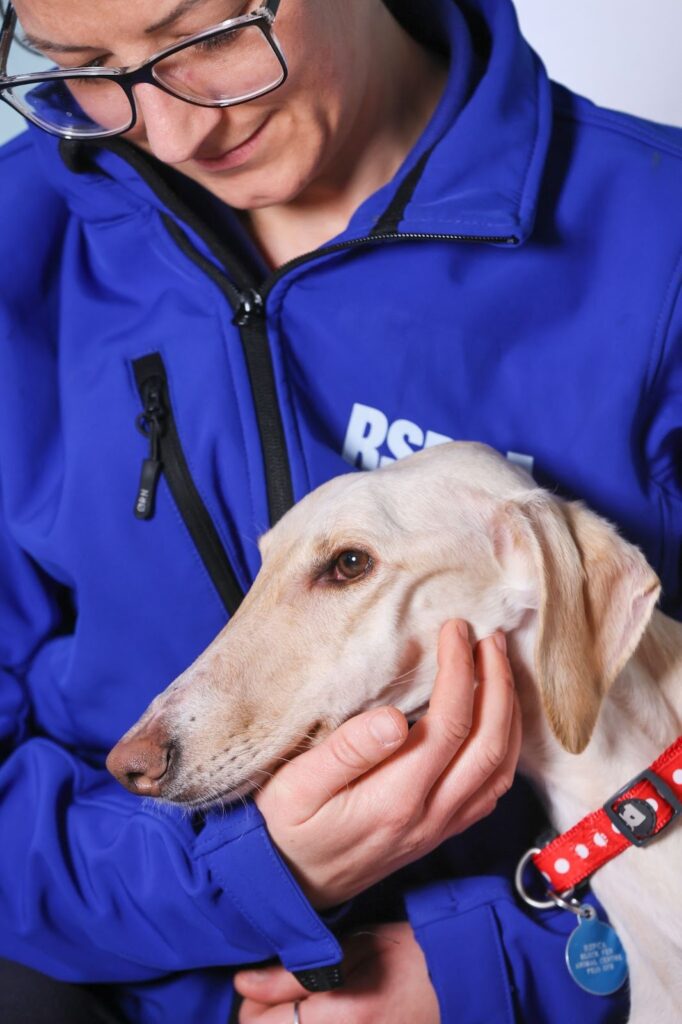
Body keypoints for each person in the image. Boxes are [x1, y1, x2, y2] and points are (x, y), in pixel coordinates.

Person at [0, 0, 679, 1022]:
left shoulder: (659, 238)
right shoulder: (18, 240)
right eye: (80, 63)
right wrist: (245, 872)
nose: (174, 131)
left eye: (210, 37)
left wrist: (513, 966)